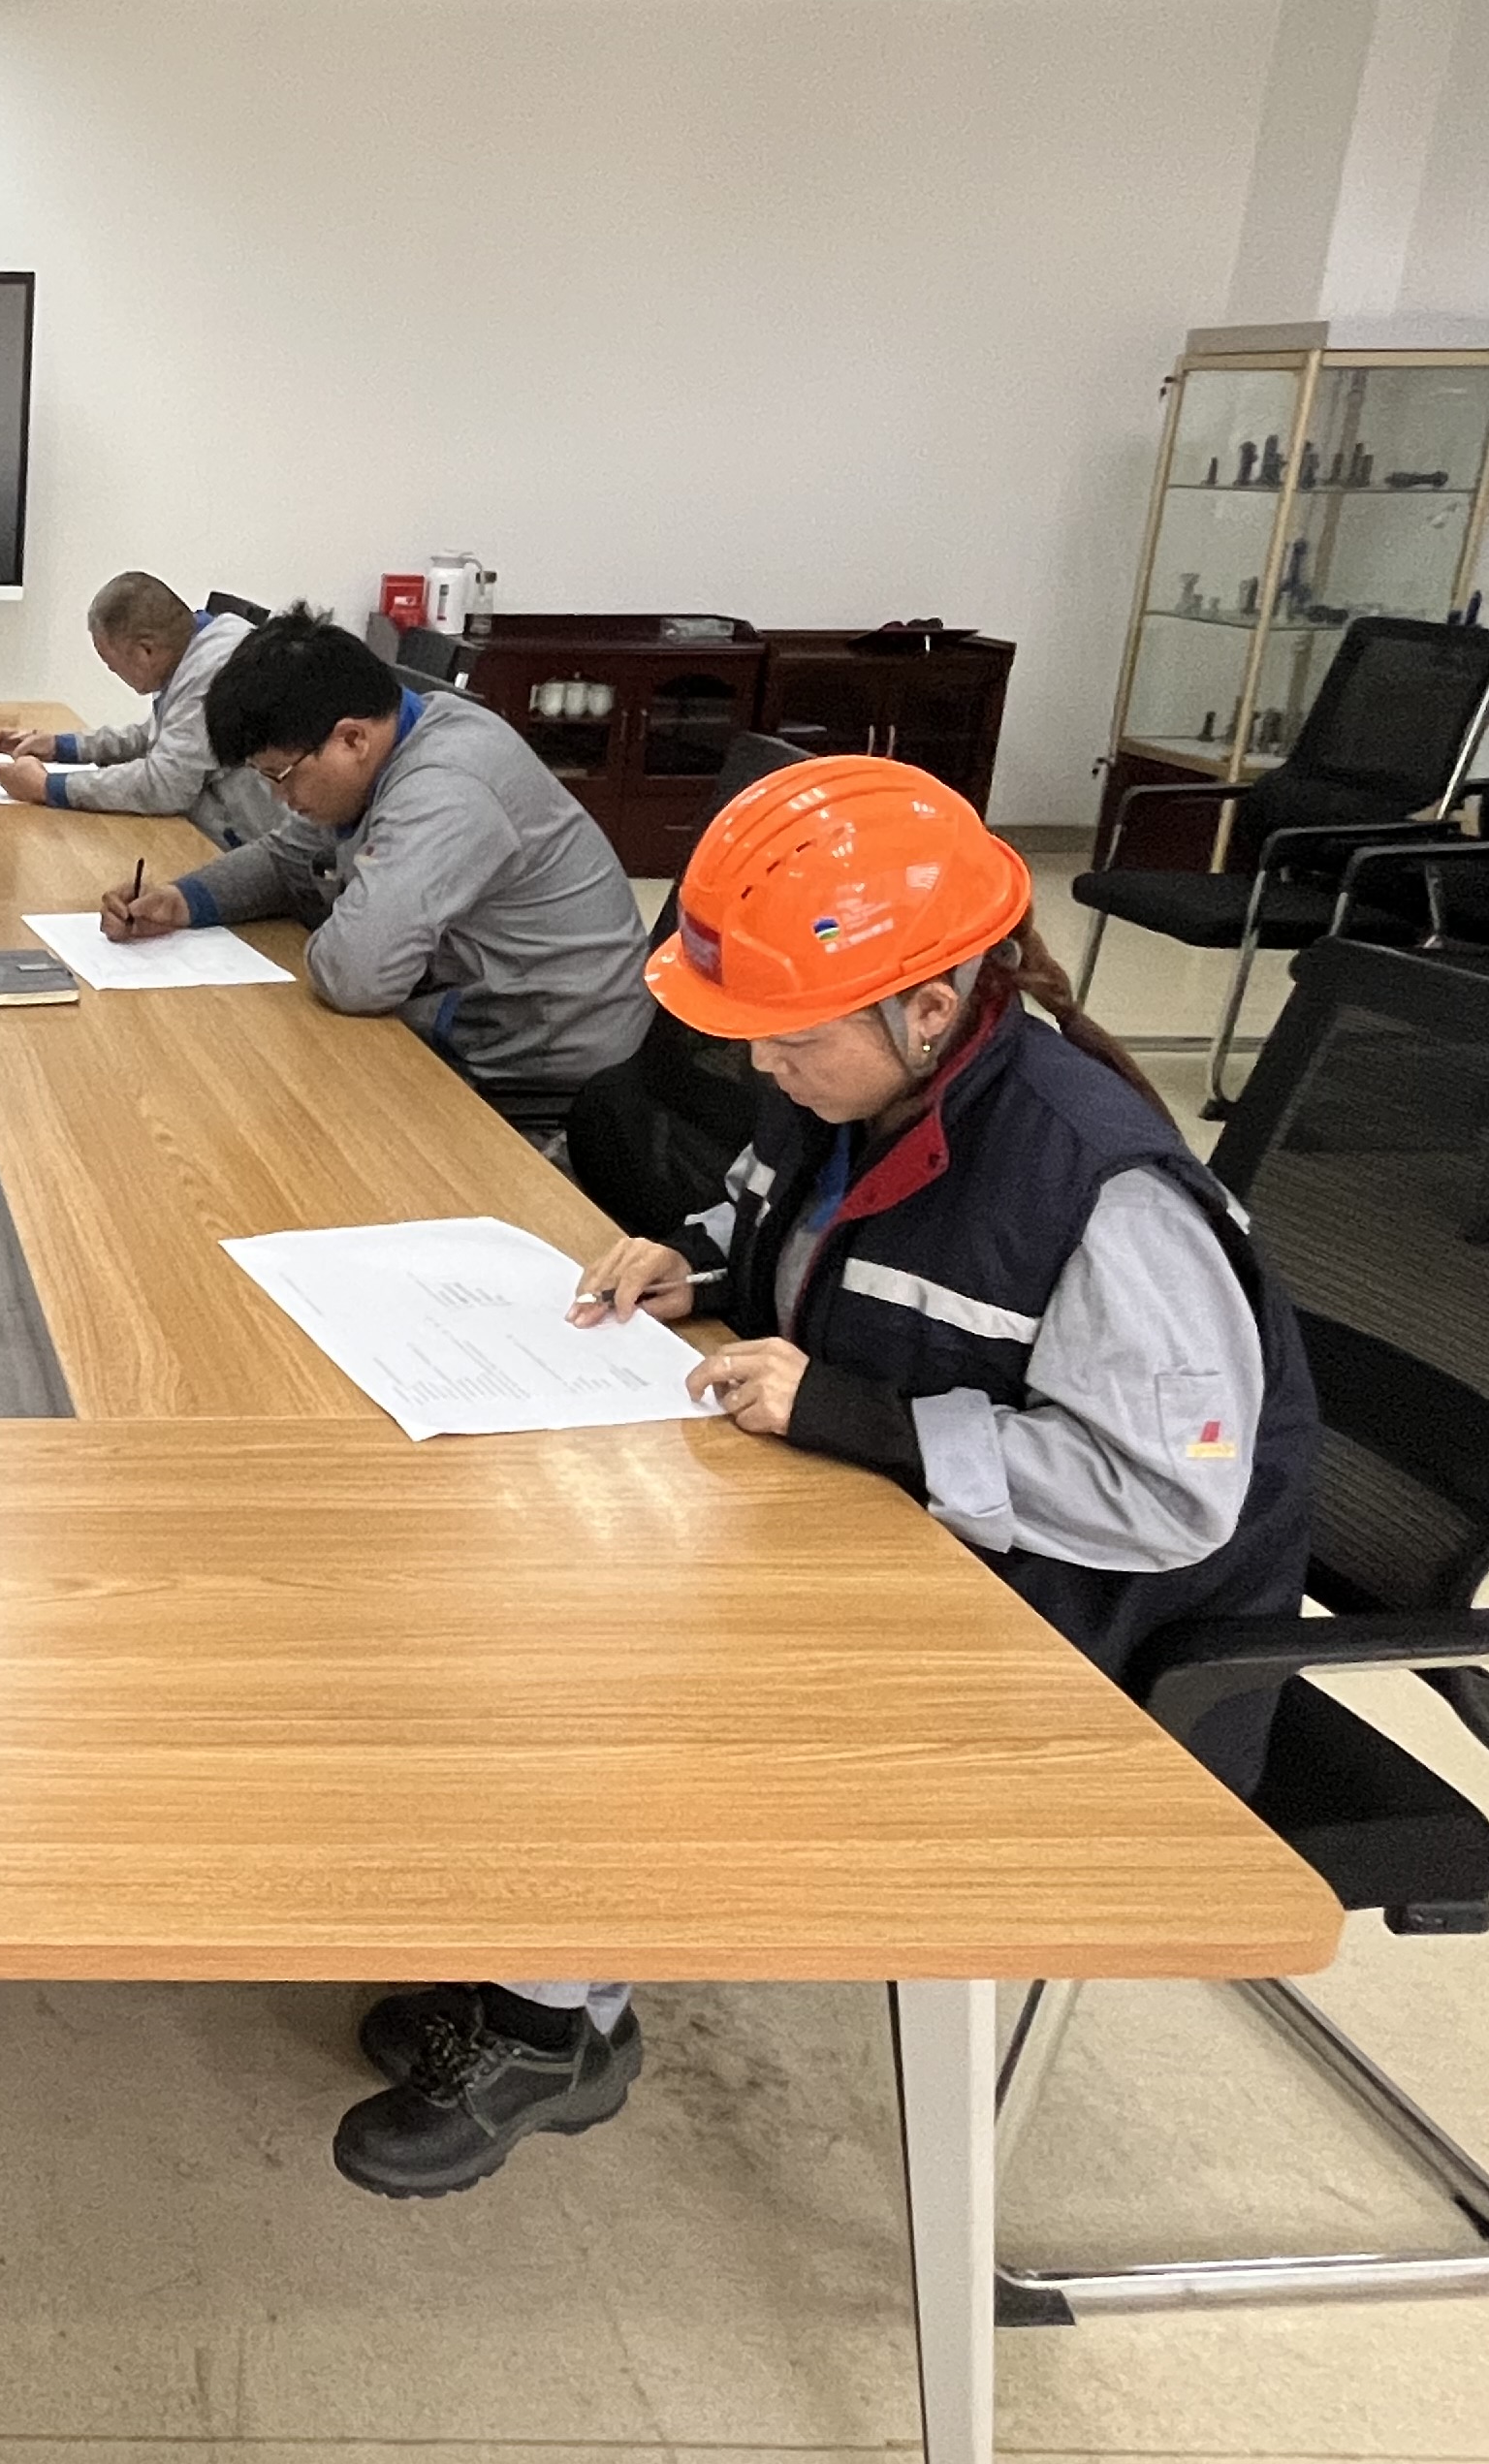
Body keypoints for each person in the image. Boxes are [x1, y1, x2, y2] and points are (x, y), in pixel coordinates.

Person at [330, 755, 1320, 2202]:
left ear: (929, 1007)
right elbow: (795, 1238)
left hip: (1087, 1643)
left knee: (621, 1650)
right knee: (548, 1561)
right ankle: (554, 1975)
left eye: (791, 1039)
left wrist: (862, 1417)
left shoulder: (1105, 1187)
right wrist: (697, 1267)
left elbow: (1167, 1497)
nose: (763, 1071)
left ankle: (554, 2029)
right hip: (917, 1531)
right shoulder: (856, 1093)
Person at [100, 607, 650, 1123]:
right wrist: (182, 900)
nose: (279, 798)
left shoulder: (446, 789)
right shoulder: (386, 742)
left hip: (540, 1059)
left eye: (280, 776)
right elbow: (288, 859)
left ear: (352, 739)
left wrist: (343, 915)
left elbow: (356, 976)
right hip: (471, 1009)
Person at [0, 572, 280, 844]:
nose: (113, 672)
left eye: (111, 664)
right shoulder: (202, 644)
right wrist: (61, 746)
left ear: (145, 650)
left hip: (249, 851)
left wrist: (47, 787)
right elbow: (155, 736)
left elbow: (165, 786)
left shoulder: (214, 673)